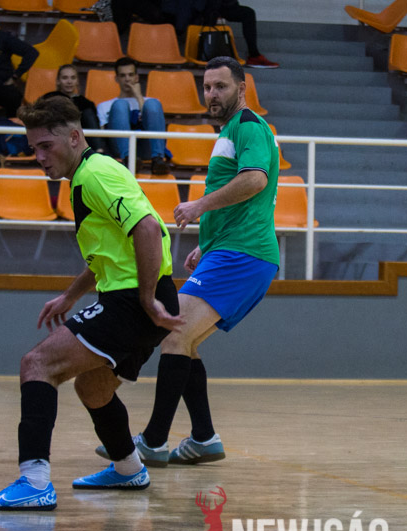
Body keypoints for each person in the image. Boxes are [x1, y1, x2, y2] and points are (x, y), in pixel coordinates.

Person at [0, 96, 184, 511]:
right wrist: (71, 295)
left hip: (133, 301)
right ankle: (128, 468)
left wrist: (145, 299)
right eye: (33, 148)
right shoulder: (89, 174)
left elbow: (146, 229)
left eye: (45, 146)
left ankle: (34, 482)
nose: (39, 157)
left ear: (74, 137)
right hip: (141, 297)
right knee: (93, 387)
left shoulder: (94, 175)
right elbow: (112, 250)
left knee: (37, 364)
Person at [96, 56, 280, 467]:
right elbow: (242, 199)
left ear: (242, 89)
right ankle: (203, 438)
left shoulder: (248, 125)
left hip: (244, 253)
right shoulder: (231, 130)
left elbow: (255, 180)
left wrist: (199, 205)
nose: (212, 94)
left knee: (174, 333)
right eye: (207, 87)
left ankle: (152, 442)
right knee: (186, 342)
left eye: (221, 86)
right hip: (232, 250)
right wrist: (208, 244)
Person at [96, 58, 170, 175]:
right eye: (123, 76)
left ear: (136, 77)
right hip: (118, 148)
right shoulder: (104, 106)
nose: (127, 79)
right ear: (116, 79)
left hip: (146, 147)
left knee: (153, 103)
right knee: (120, 105)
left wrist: (138, 97)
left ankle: (158, 160)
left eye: (130, 75)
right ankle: (128, 159)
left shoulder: (149, 102)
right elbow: (102, 136)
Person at [40, 64, 113, 156]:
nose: (69, 82)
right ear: (58, 81)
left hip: (82, 141)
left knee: (88, 113)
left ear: (77, 81)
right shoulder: (49, 98)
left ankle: (99, 151)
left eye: (73, 78)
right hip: (56, 137)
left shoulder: (85, 103)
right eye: (65, 78)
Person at [204, 0, 279, 68]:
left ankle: (254, 56)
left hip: (217, 6)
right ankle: (254, 56)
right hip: (209, 7)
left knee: (248, 13)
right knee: (248, 13)